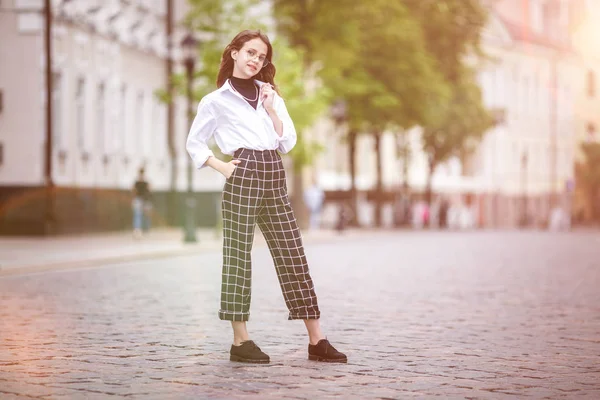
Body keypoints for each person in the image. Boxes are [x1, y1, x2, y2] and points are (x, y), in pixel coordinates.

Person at [185, 30, 346, 364]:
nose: (256, 60)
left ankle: (317, 340)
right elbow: (194, 142)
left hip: (274, 172)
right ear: (233, 53)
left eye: (261, 56)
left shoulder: (270, 95)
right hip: (242, 173)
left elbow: (287, 141)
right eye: (250, 53)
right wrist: (220, 166)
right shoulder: (215, 101)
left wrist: (272, 109)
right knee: (238, 257)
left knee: (293, 254)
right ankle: (240, 341)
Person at [132, 167, 152, 238]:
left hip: (143, 200)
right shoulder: (139, 182)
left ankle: (143, 229)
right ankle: (138, 229)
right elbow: (149, 190)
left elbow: (134, 191)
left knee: (143, 215)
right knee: (138, 215)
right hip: (141, 200)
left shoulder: (142, 182)